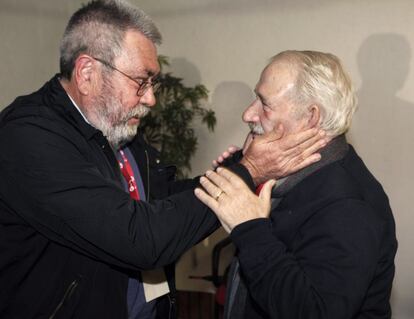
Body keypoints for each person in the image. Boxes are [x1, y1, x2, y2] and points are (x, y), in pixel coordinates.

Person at [0, 2, 328, 319]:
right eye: (141, 81)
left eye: (152, 82)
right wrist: (248, 171)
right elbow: (141, 238)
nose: (151, 98)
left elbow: (162, 197)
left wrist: (236, 169)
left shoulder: (111, 125)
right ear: (87, 73)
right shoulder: (26, 139)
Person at [195, 50, 397, 319]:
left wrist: (250, 229)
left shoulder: (348, 204)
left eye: (264, 104)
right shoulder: (296, 174)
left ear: (311, 117)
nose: (248, 114)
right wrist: (244, 173)